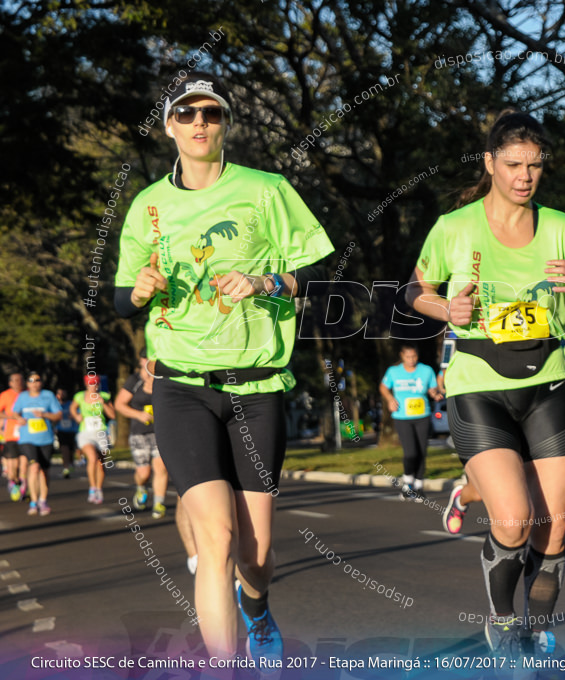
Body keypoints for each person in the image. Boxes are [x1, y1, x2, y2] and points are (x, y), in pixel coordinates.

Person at [113, 71, 334, 665]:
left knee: (255, 555)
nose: (199, 123)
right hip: (182, 387)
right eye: (187, 114)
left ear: (225, 123)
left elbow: (322, 267)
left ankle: (256, 608)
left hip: (256, 389)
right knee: (216, 539)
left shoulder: (266, 190)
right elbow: (116, 300)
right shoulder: (147, 206)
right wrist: (138, 291)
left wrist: (268, 280)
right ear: (169, 126)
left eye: (210, 113)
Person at [406, 110, 565, 655]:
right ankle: (502, 622)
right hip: (478, 385)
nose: (525, 176)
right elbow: (414, 290)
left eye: (534, 166)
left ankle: (539, 630)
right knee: (513, 517)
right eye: (513, 164)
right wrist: (443, 307)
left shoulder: (562, 227)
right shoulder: (455, 227)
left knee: (553, 530)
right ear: (490, 163)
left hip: (548, 384)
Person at [380, 345, 441, 501]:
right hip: (402, 417)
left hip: (423, 415)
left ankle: (419, 486)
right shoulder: (394, 372)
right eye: (408, 357)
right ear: (402, 356)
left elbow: (432, 388)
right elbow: (383, 387)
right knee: (410, 452)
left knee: (422, 451)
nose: (411, 360)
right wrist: (390, 399)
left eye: (414, 356)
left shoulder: (426, 370)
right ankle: (408, 482)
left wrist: (434, 394)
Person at [115, 348, 169, 518]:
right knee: (144, 473)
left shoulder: (164, 378)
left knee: (161, 466)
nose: (147, 362)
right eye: (145, 358)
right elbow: (119, 404)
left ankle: (159, 503)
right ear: (140, 361)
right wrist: (138, 414)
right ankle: (141, 487)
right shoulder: (134, 380)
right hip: (139, 433)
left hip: (159, 432)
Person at [9, 372, 62, 516]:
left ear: (41, 382)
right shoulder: (23, 397)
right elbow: (14, 412)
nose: (34, 383)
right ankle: (33, 501)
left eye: (37, 380)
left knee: (44, 471)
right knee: (34, 467)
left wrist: (44, 415)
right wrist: (19, 418)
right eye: (31, 380)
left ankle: (42, 501)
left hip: (46, 439)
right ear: (27, 383)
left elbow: (58, 414)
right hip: (27, 439)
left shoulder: (48, 396)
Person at [70, 374, 115, 503]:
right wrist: (77, 416)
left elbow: (112, 415)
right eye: (90, 383)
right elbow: (72, 408)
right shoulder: (79, 396)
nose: (93, 386)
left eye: (95, 383)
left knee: (101, 464)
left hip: (101, 432)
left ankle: (99, 489)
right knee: (92, 457)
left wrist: (104, 403)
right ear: (86, 384)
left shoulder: (105, 396)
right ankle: (92, 488)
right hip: (85, 432)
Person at [1, 373, 27, 501]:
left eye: (21, 380)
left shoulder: (28, 394)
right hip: (11, 434)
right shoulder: (5, 395)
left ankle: (22, 482)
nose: (19, 382)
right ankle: (14, 481)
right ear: (10, 383)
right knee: (13, 465)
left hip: (27, 434)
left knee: (24, 462)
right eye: (16, 380)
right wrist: (13, 417)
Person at [55, 388, 78, 478]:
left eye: (63, 393)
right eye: (60, 393)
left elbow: (77, 413)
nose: (62, 395)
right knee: (64, 448)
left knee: (71, 449)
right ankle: (66, 467)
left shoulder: (70, 404)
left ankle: (71, 463)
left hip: (71, 429)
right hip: (60, 430)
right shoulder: (55, 405)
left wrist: (73, 415)